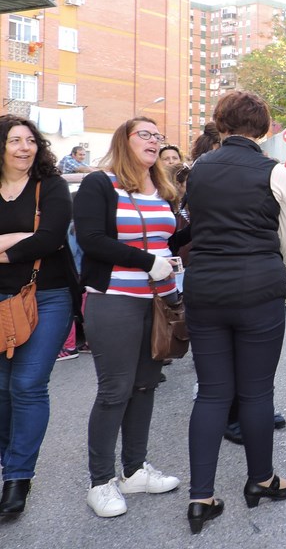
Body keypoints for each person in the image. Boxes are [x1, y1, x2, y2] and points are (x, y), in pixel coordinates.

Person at [181, 90, 286, 534]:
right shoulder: (274, 170)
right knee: (256, 391)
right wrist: (268, 261)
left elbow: (194, 223)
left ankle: (201, 497)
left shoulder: (199, 169)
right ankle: (261, 480)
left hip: (205, 285)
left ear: (222, 124)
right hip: (258, 287)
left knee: (212, 393)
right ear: (265, 128)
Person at [74, 117, 183, 518]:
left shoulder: (163, 188)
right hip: (115, 299)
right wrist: (146, 261)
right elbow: (91, 240)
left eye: (158, 136)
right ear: (125, 140)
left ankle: (134, 470)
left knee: (145, 386)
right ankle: (100, 482)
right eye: (145, 135)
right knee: (114, 390)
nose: (154, 141)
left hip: (158, 301)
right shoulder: (100, 184)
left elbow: (171, 239)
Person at [0, 116, 74, 516]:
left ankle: (17, 478)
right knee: (1, 388)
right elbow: (39, 239)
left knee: (27, 385)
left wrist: (5, 250)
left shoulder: (52, 185)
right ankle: (9, 459)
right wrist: (23, 239)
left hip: (47, 296)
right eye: (14, 140)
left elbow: (51, 238)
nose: (24, 148)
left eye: (30, 140)